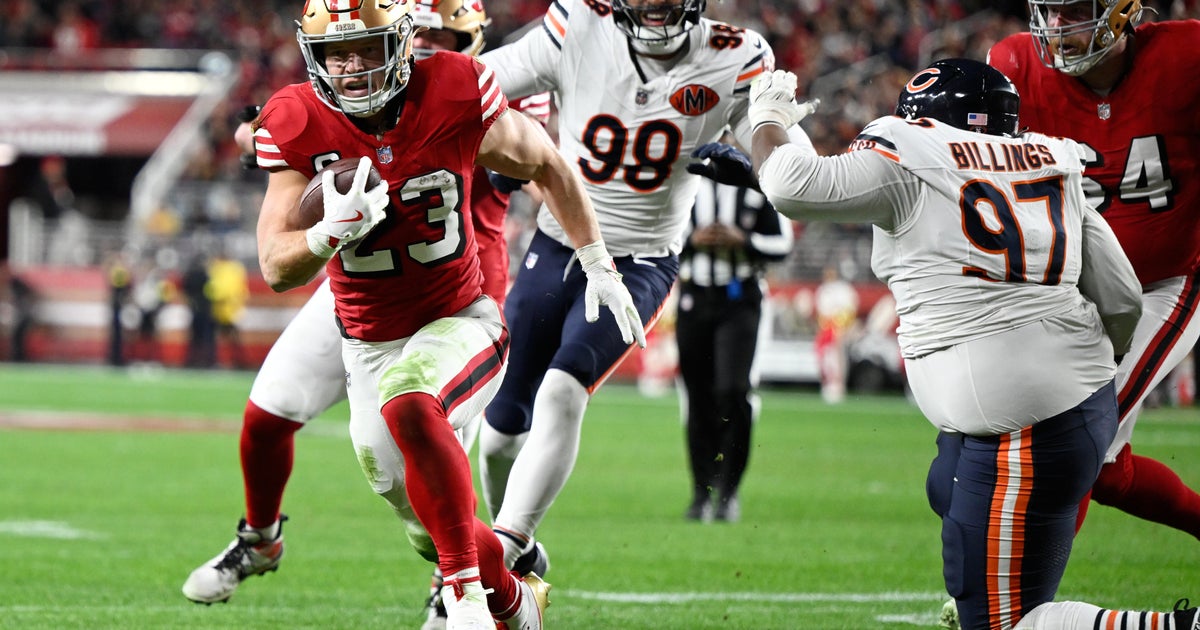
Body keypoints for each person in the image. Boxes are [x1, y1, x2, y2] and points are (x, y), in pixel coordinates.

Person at [748, 58, 1199, 630]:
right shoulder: (1050, 159)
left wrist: (767, 117)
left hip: (1027, 429)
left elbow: (791, 184)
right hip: (1064, 407)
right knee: (948, 484)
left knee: (1002, 624)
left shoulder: (913, 151)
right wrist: (1082, 368)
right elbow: (1123, 297)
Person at [180, 1, 559, 624]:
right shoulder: (355, 78)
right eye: (421, 35)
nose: (429, 49)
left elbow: (546, 167)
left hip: (455, 296)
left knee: (428, 458)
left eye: (444, 37)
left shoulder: (477, 88)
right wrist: (272, 145)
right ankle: (259, 538)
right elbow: (297, 140)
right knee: (269, 412)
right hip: (359, 286)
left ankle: (463, 583)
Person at [474, 0, 811, 573]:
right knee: (500, 430)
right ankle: (518, 548)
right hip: (557, 245)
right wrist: (506, 139)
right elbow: (477, 83)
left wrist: (763, 167)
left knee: (563, 391)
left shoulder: (736, 54)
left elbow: (802, 173)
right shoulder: (578, 23)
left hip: (640, 260)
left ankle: (502, 554)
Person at [987, 0, 1200, 543]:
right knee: (1106, 471)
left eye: (1076, 10)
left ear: (1122, 9)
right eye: (1050, 12)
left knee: (1076, 435)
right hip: (1074, 291)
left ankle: (1023, 588)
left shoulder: (1186, 57)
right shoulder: (1014, 66)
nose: (1057, 28)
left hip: (1166, 282)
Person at [675, 171, 793, 523]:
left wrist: (743, 239)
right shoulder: (683, 181)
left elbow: (782, 244)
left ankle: (728, 490)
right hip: (694, 296)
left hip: (740, 300)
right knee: (697, 397)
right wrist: (692, 239)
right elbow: (655, 237)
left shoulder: (756, 183)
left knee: (733, 391)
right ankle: (701, 492)